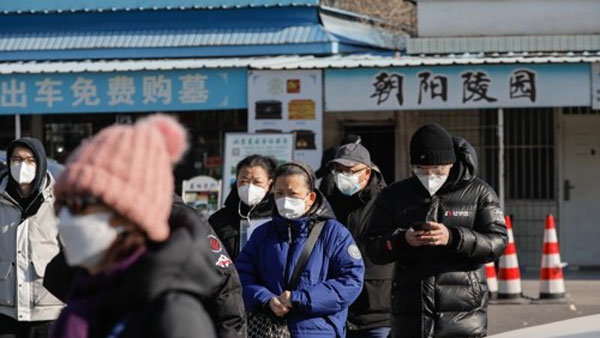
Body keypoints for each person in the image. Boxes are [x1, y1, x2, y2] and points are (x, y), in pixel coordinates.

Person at [49, 115, 220, 338]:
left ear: (130, 215)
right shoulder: (82, 303)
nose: (65, 217)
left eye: (80, 204)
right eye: (62, 204)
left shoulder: (173, 316)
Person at [366, 123, 508, 338]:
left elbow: (497, 243)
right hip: (410, 312)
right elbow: (372, 247)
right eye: (421, 170)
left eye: (437, 169)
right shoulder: (394, 195)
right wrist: (402, 240)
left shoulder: (479, 193)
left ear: (451, 163)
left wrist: (453, 238)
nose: (430, 175)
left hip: (463, 314)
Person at [236, 161, 364, 338]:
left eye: (293, 194)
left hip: (318, 331)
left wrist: (299, 299)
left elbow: (351, 281)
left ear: (310, 198)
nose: (285, 199)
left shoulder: (334, 233)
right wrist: (265, 299)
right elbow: (241, 276)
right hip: (269, 330)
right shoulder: (262, 234)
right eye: (279, 193)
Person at [323, 143, 392, 338]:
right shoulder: (328, 204)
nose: (343, 176)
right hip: (337, 310)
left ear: (367, 172)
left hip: (378, 312)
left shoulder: (386, 201)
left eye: (350, 171)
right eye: (338, 170)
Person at [0, 137, 63, 338]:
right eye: (16, 159)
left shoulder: (59, 202)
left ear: (41, 162)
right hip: (6, 310)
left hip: (48, 309)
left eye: (29, 160)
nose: (22, 165)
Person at [209, 154, 277, 260]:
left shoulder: (278, 217)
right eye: (244, 181)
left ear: (269, 183)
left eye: (257, 182)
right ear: (236, 180)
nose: (250, 187)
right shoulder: (219, 219)